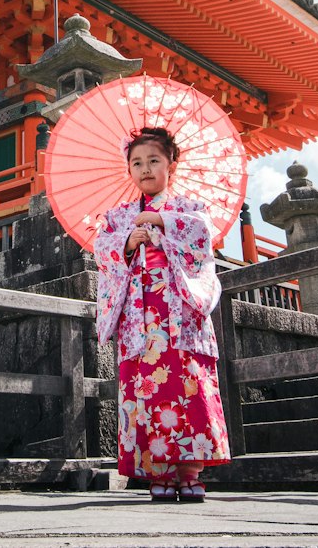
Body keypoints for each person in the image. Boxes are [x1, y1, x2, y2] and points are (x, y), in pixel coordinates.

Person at [94, 127, 230, 503]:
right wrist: (125, 243)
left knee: (186, 387)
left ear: (172, 164)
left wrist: (162, 224)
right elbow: (101, 251)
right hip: (140, 318)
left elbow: (202, 239)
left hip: (179, 313)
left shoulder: (189, 209)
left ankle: (189, 471)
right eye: (136, 163)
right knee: (147, 390)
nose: (145, 169)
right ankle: (159, 472)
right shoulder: (118, 216)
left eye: (154, 160)